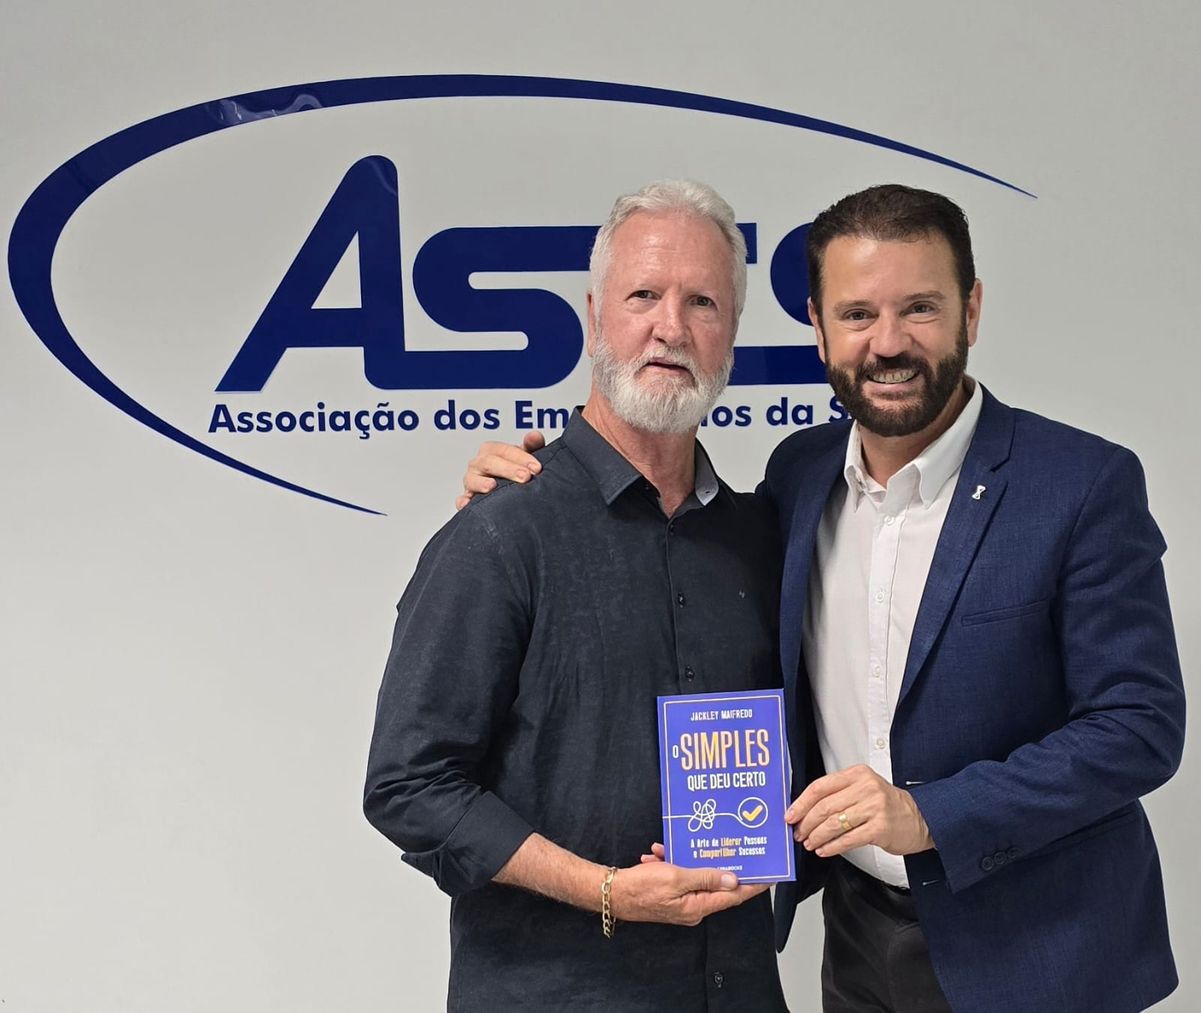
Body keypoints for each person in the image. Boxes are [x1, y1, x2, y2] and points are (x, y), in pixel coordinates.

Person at [460, 184, 1186, 1012]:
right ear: (815, 325)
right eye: (856, 314)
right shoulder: (796, 478)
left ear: (971, 309)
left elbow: (1138, 726)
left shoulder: (1081, 484)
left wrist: (928, 813)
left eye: (919, 307)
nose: (888, 343)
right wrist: (532, 486)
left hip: (1041, 954)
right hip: (856, 944)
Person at [364, 180, 789, 1012]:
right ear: (597, 316)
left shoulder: (759, 538)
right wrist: (603, 890)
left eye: (701, 300)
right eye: (643, 295)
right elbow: (407, 785)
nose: (670, 326)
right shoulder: (500, 535)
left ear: (730, 333)